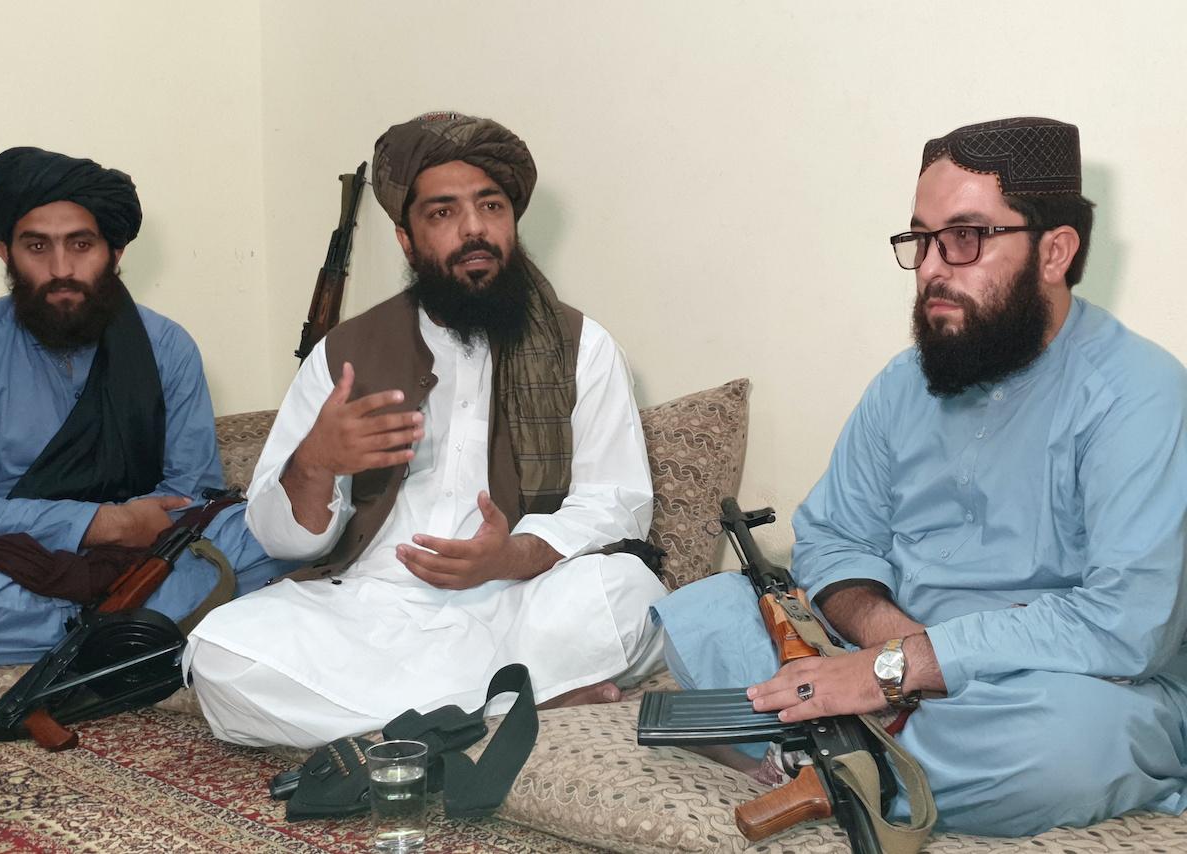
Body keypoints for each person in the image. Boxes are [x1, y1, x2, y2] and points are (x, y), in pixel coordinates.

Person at [653, 118, 1187, 836]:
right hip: (884, 653)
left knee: (1069, 742)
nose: (933, 267)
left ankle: (826, 756)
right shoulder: (903, 383)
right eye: (922, 240)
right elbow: (833, 540)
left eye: (965, 238)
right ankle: (859, 755)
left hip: (1047, 683)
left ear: (1055, 252)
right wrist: (889, 646)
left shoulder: (1138, 394)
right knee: (704, 614)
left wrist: (904, 669)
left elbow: (1126, 623)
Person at [184, 112, 668, 749]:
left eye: (490, 206)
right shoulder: (347, 353)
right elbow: (280, 539)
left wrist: (511, 556)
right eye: (443, 212)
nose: (474, 229)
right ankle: (507, 705)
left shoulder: (583, 346)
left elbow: (616, 503)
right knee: (219, 653)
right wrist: (316, 463)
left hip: (518, 600)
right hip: (372, 607)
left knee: (627, 594)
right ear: (406, 240)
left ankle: (419, 718)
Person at [0, 146, 298, 665]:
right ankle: (137, 623)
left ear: (114, 252)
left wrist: (137, 533)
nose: (61, 268)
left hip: (150, 553)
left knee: (273, 536)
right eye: (37, 246)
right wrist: (106, 523)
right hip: (8, 558)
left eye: (81, 244)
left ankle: (108, 621)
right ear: (4, 253)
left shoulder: (166, 347)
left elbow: (194, 492)